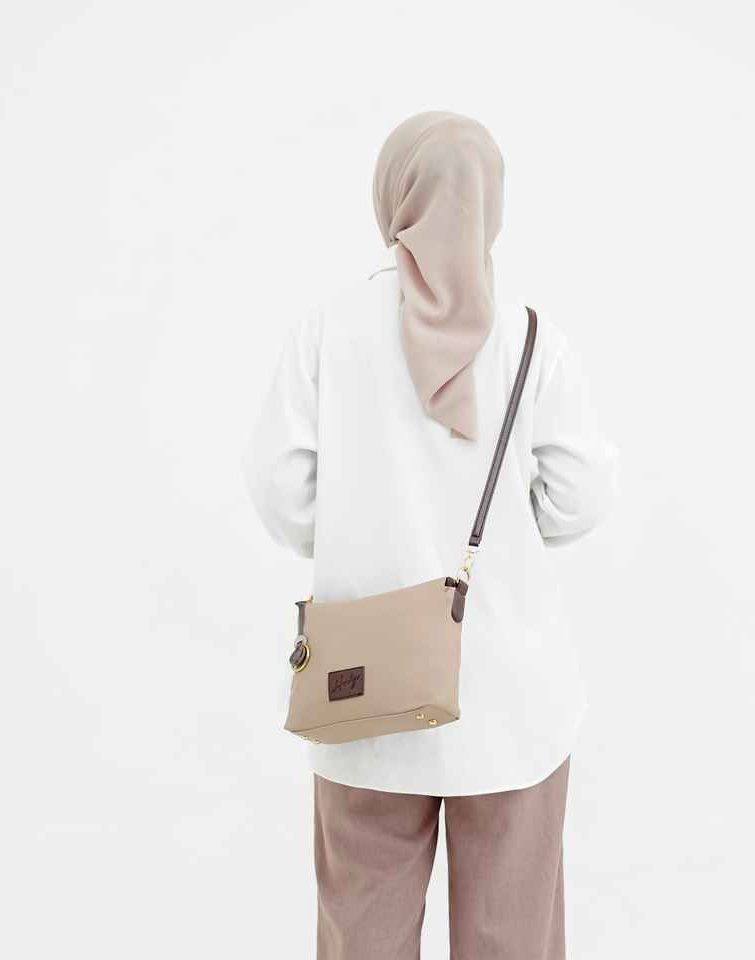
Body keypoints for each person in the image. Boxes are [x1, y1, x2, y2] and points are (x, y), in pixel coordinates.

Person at [243, 110, 620, 960]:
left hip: (361, 696)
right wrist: (514, 534)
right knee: (512, 940)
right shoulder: (531, 337)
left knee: (362, 936)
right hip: (510, 698)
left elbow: (277, 487)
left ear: (392, 198)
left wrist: (353, 532)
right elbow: (582, 496)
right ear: (492, 205)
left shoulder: (328, 329)